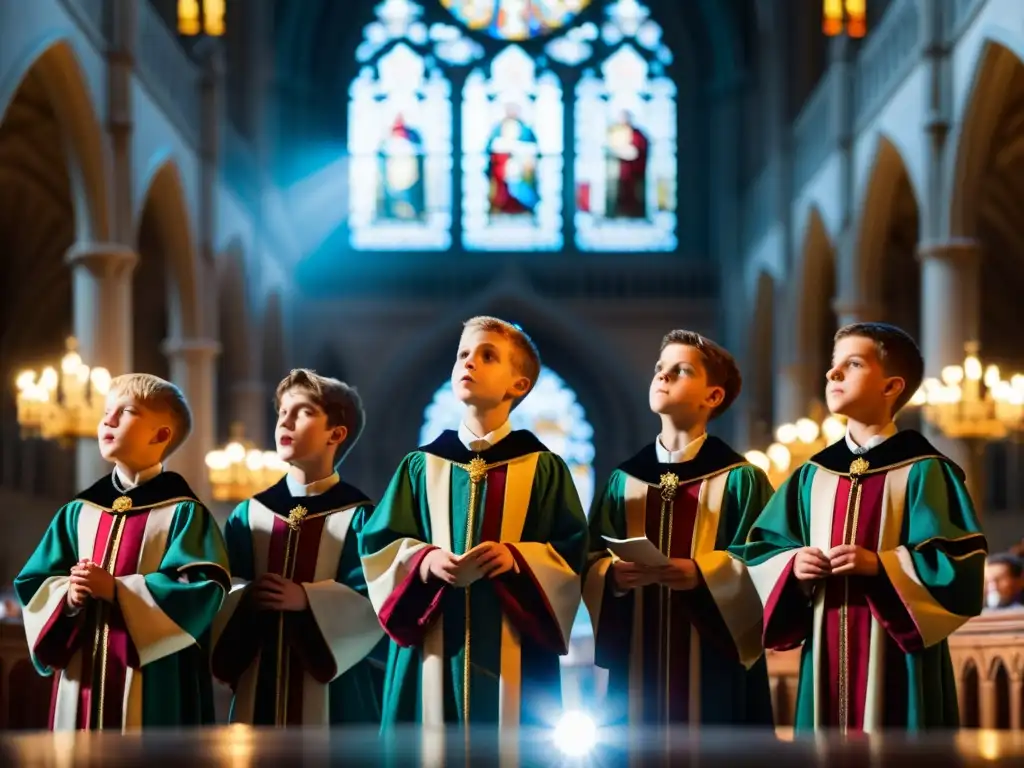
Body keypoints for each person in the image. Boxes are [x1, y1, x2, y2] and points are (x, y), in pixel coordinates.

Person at [737, 322, 987, 733]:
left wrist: (883, 565)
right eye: (833, 365)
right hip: (824, 645)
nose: (832, 373)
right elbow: (761, 549)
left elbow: (958, 564)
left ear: (891, 387)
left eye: (852, 364)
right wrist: (793, 566)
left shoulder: (925, 470)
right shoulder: (810, 476)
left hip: (898, 654)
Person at [360, 316, 588, 732]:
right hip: (431, 641)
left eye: (488, 356)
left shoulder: (543, 468)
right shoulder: (419, 465)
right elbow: (378, 543)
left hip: (514, 643)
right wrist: (423, 561)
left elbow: (573, 551)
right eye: (463, 354)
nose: (469, 363)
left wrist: (517, 558)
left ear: (518, 385)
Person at [14, 373, 230, 731]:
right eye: (105, 412)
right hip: (82, 670)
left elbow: (202, 590)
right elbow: (35, 581)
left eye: (125, 411)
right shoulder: (78, 511)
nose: (107, 420)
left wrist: (117, 590)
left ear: (161, 435)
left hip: (152, 677)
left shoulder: (184, 512)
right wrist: (67, 595)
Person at [584, 330, 773, 727]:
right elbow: (586, 557)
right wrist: (611, 575)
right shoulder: (624, 481)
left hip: (715, 661)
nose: (663, 376)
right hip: (638, 660)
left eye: (681, 370)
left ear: (713, 396)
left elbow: (766, 562)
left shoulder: (740, 480)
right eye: (659, 368)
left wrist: (704, 574)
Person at [211, 370, 384, 726]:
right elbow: (223, 586)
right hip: (259, 674)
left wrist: (308, 599)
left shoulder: (360, 517)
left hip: (335, 688)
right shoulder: (249, 514)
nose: (284, 421)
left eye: (302, 412)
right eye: (282, 412)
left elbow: (375, 600)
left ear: (335, 434)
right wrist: (246, 595)